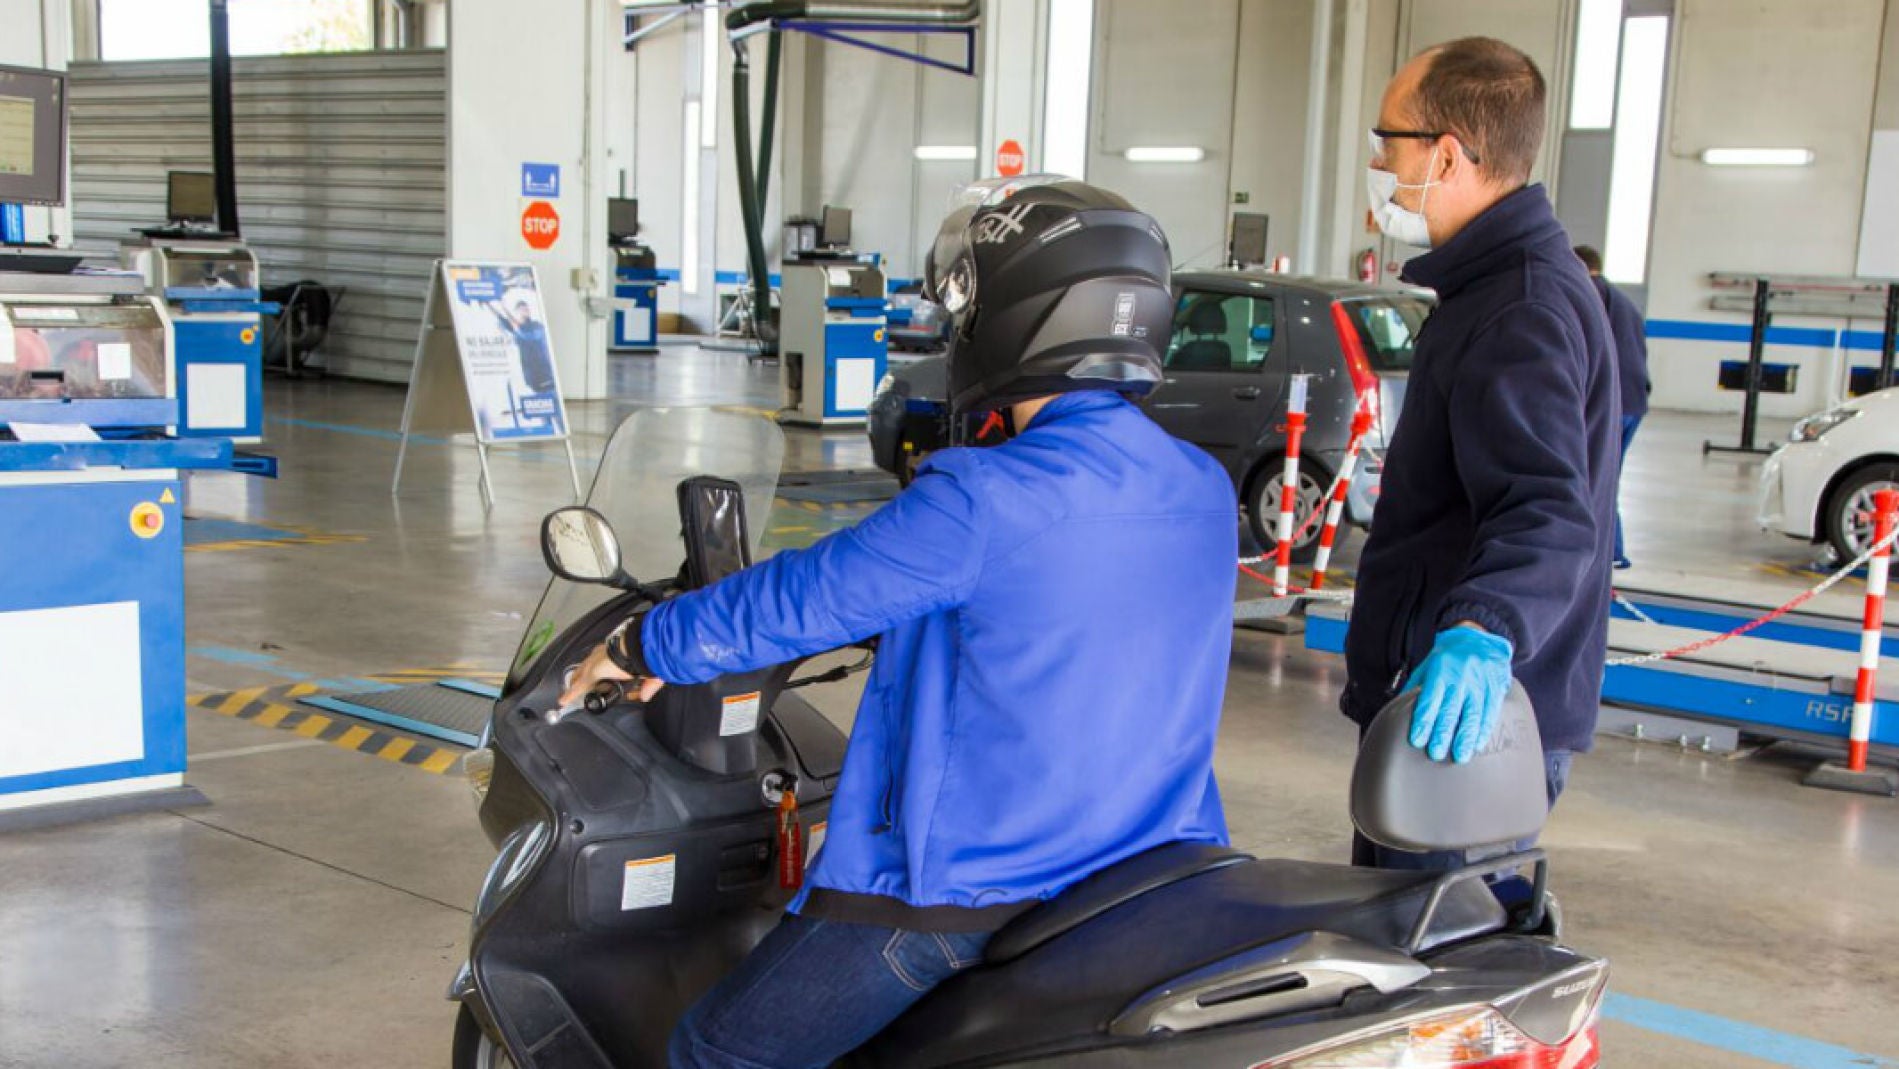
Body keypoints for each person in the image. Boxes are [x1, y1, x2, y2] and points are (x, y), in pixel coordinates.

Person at [560, 178, 1239, 1068]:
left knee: (715, 1050)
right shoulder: (1199, 484)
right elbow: (1074, 616)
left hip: (969, 888)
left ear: (1017, 316)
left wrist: (641, 644)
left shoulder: (987, 494)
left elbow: (808, 595)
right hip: (1146, 860)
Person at [1344, 37, 1620, 870]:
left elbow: (1548, 506)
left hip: (1464, 716)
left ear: (1448, 153)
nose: (1379, 163)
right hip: (1465, 707)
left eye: (1387, 141)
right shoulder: (1504, 286)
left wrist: (1481, 630)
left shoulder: (1518, 308)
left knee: (1428, 976)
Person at [1575, 244, 1650, 569]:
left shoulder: (1588, 295)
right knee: (1606, 476)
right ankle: (1612, 552)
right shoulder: (1625, 302)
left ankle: (1609, 554)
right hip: (1634, 401)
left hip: (1611, 404)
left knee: (1593, 478)